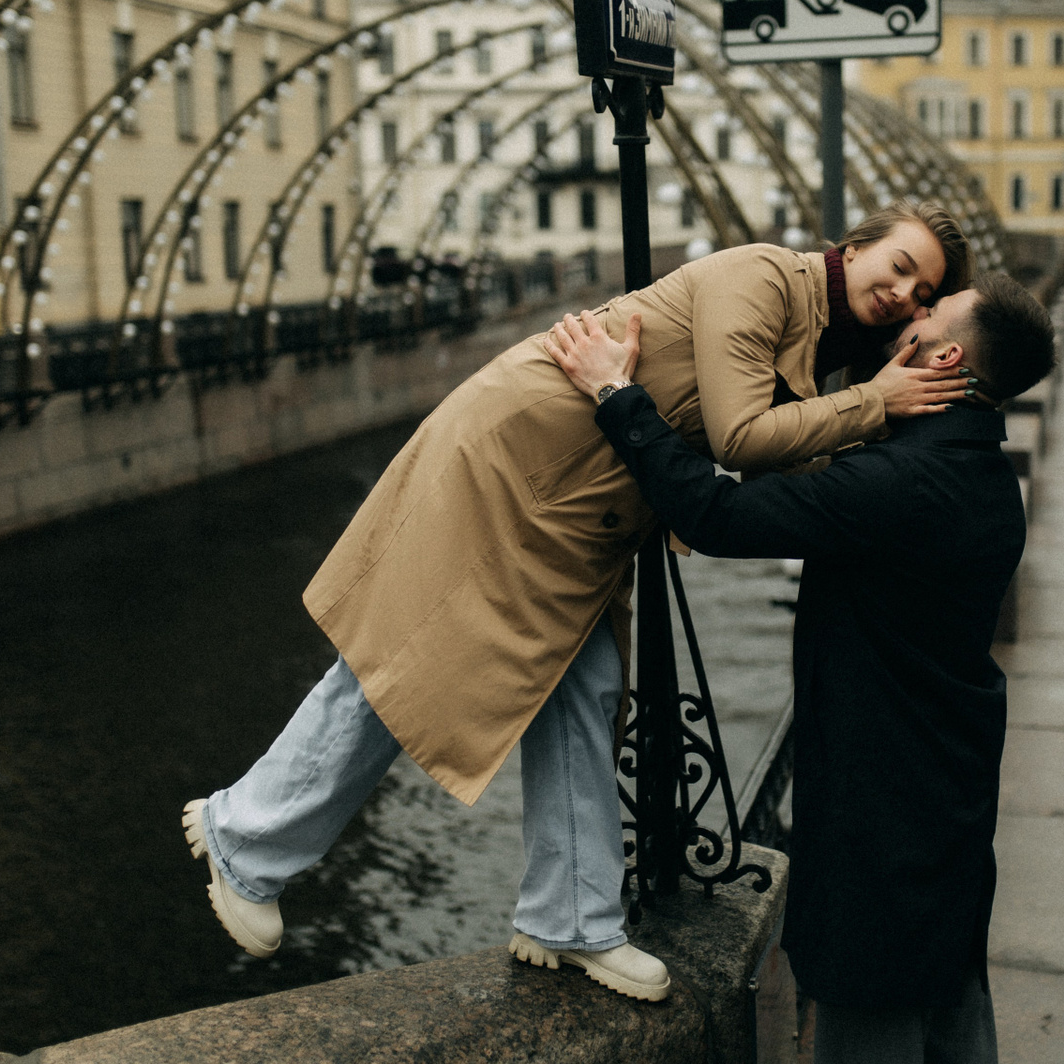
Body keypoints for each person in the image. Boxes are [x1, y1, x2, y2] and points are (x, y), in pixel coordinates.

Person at [181, 200, 974, 1002]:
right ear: (856, 246)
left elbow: (780, 465)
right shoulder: (764, 276)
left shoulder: (819, 340)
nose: (902, 293)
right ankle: (244, 835)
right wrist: (877, 403)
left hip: (578, 507)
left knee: (584, 688)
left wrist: (875, 437)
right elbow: (741, 437)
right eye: (900, 265)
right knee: (407, 659)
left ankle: (569, 918)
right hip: (519, 464)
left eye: (923, 293)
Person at [540, 269, 1056, 1061]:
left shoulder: (898, 484)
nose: (915, 312)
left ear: (945, 356)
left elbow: (714, 514)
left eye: (933, 310)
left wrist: (618, 396)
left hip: (878, 822)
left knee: (869, 1015)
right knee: (951, 1005)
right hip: (949, 798)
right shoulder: (982, 475)